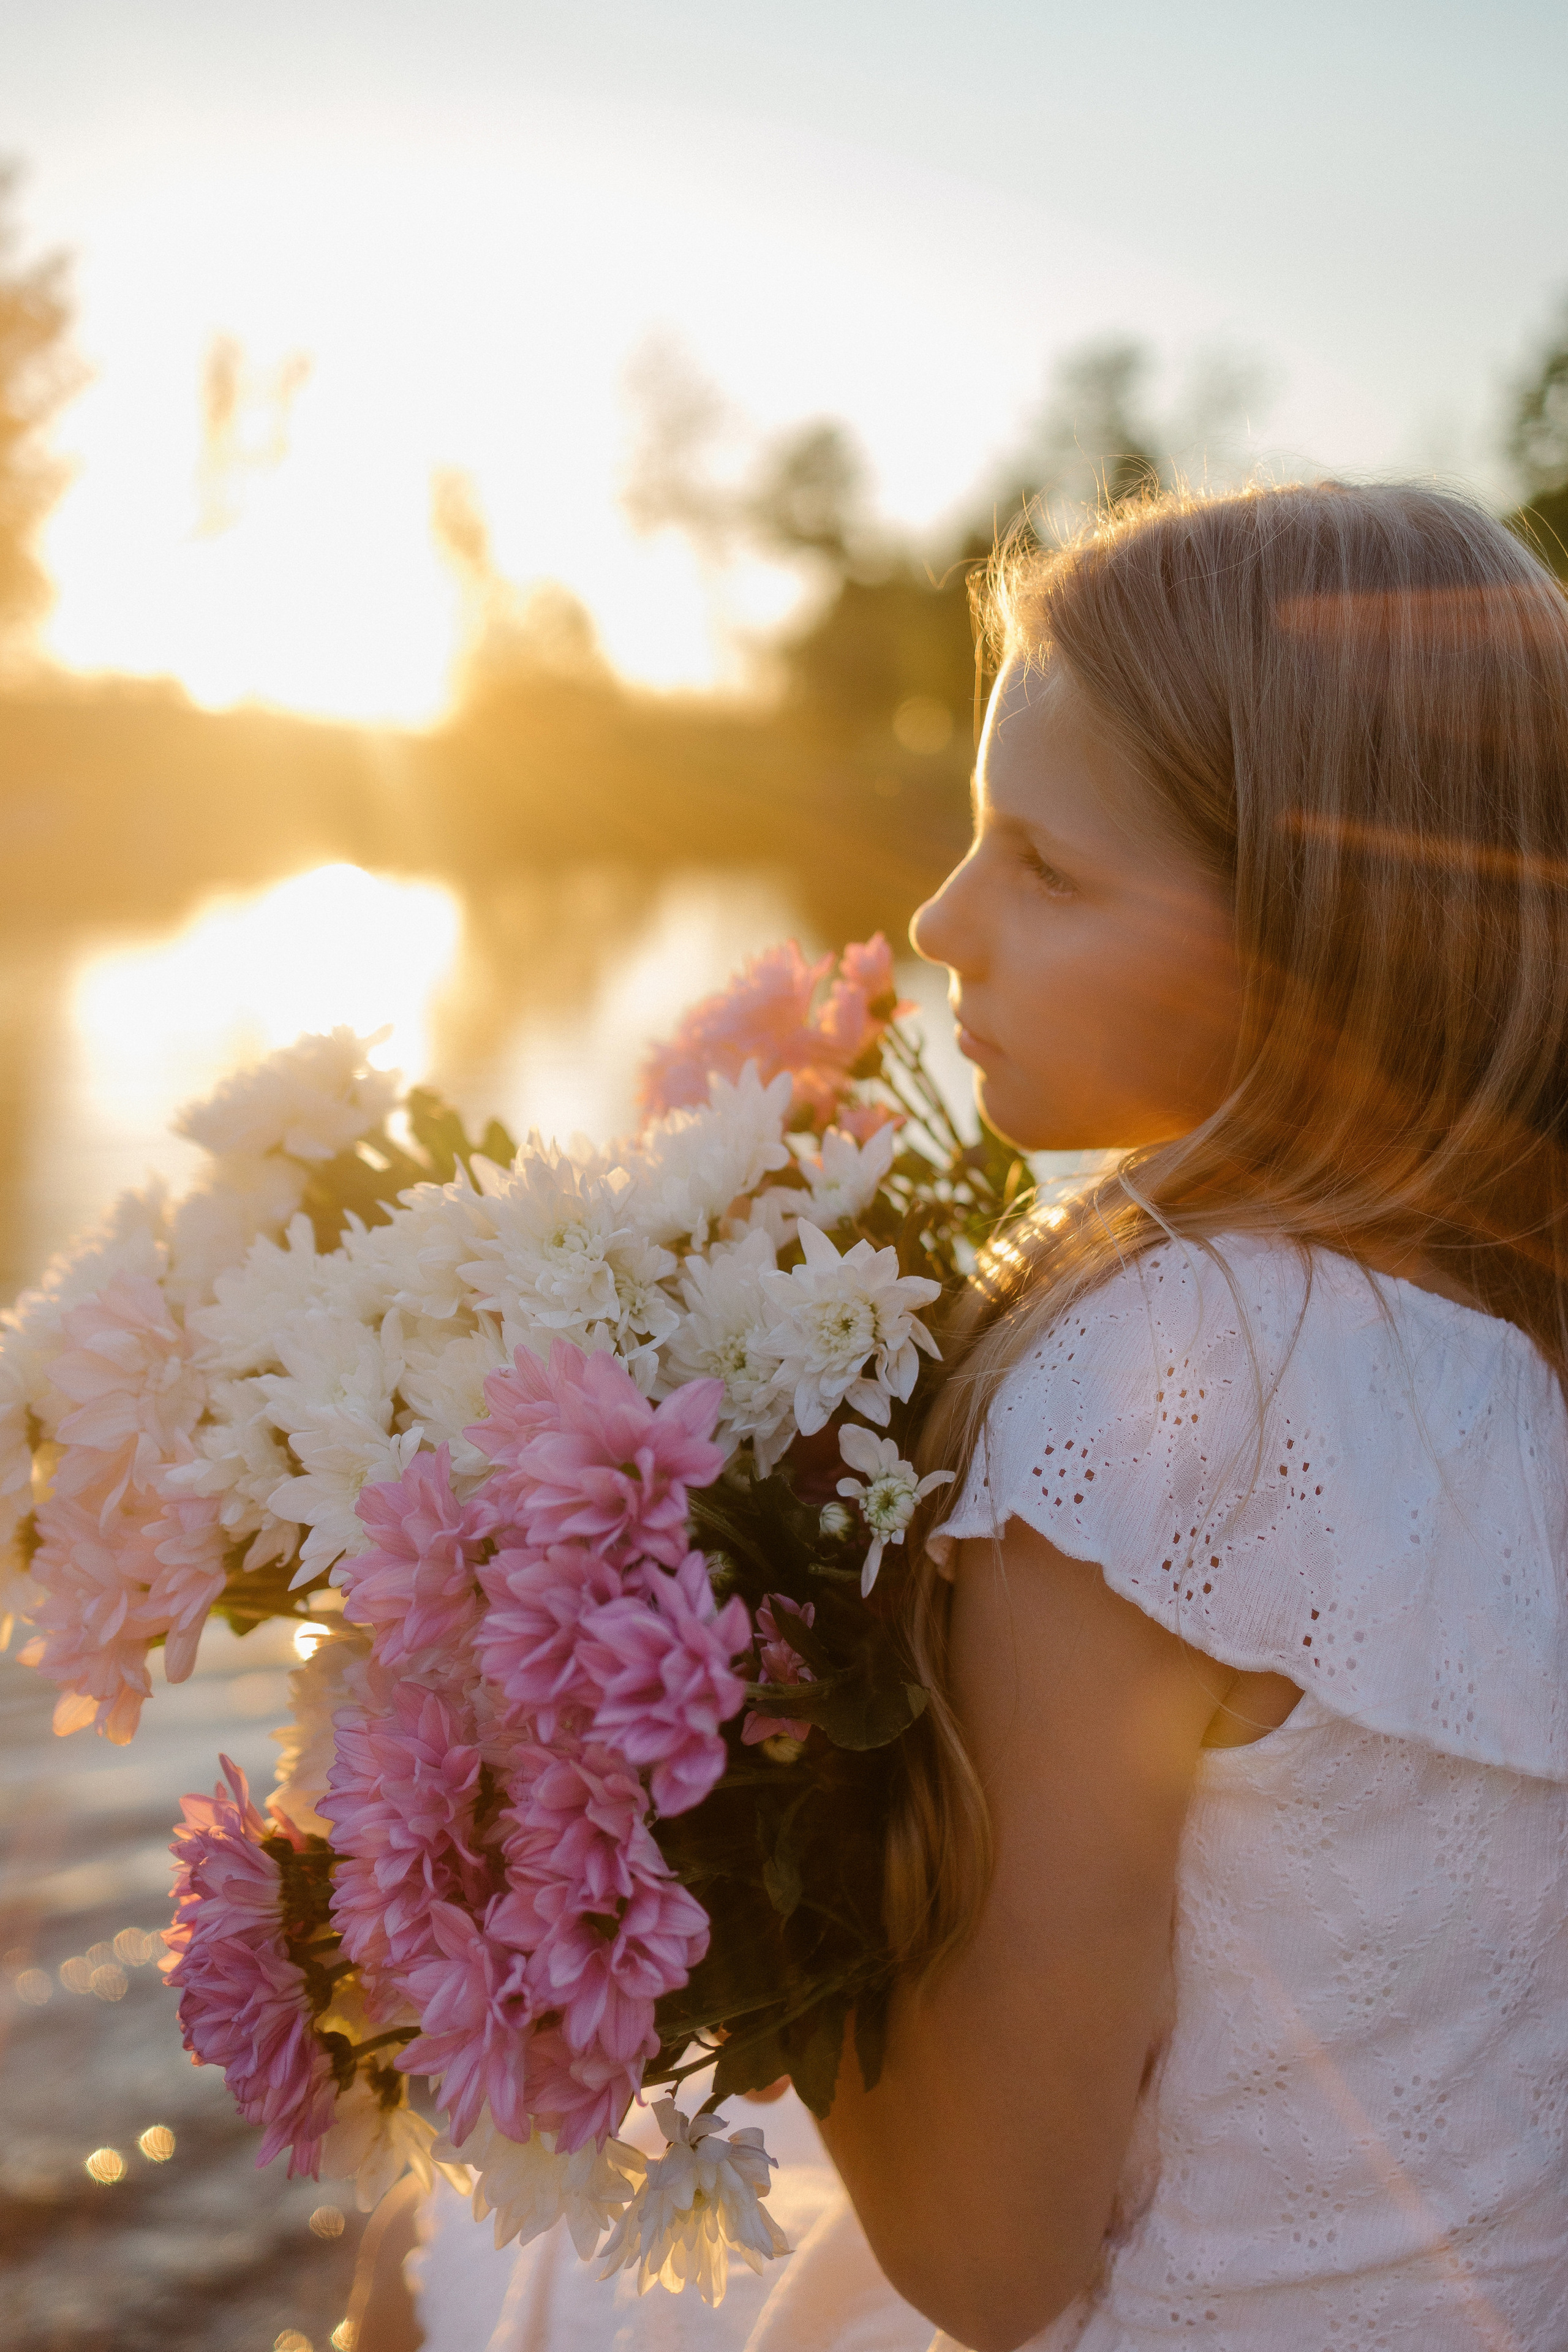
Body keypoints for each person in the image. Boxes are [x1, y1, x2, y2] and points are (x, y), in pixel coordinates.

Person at [407, 479, 1568, 2350]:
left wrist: (649, 1761)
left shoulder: (1173, 1379)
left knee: (464, 2243)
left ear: (1316, 935)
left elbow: (988, 2257)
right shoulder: (1513, 1338)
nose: (943, 922)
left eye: (1047, 866)